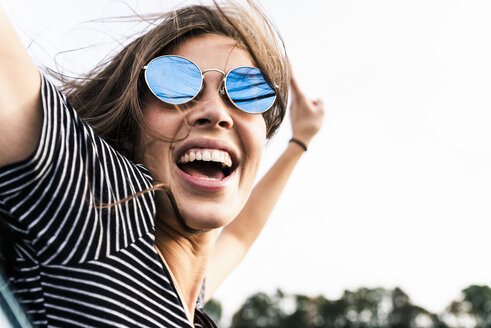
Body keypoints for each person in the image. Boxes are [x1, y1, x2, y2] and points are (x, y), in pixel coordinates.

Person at [0, 1, 324, 327]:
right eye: (174, 84)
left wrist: (300, 142)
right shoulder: (103, 218)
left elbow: (238, 238)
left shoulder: (186, 295)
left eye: (245, 90)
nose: (216, 112)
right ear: (132, 129)